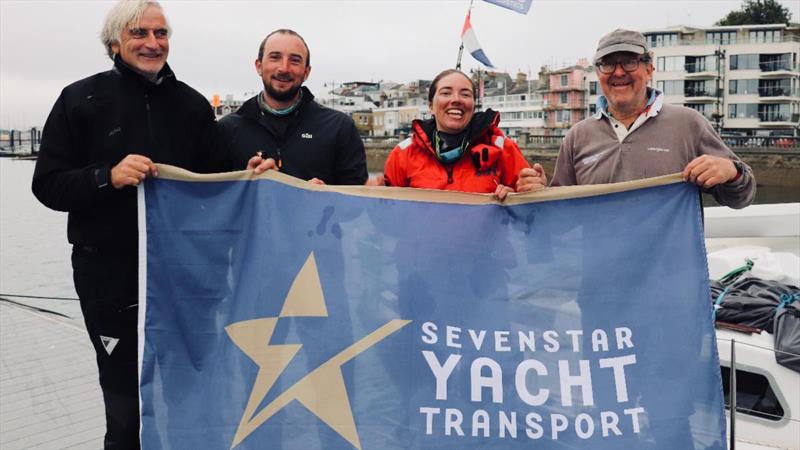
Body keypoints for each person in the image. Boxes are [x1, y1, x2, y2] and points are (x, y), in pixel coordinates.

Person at [31, 1, 218, 448]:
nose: (153, 43)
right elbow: (48, 185)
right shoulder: (79, 99)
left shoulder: (192, 105)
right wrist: (106, 176)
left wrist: (252, 172)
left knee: (185, 396)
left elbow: (218, 185)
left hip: (180, 276)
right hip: (108, 276)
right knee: (123, 405)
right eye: (139, 33)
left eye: (161, 33)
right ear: (114, 42)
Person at [551, 28, 756, 209]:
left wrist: (732, 172)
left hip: (671, 254)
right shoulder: (577, 136)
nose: (619, 72)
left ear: (649, 69)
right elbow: (559, 211)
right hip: (599, 254)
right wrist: (535, 191)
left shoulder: (688, 124)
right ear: (598, 72)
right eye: (608, 64)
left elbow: (741, 198)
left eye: (630, 62)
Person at [219, 29, 367, 185]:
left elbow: (357, 202)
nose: (284, 68)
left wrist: (325, 197)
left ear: (306, 72)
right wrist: (245, 182)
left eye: (295, 60)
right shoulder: (228, 129)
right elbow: (214, 201)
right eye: (275, 57)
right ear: (259, 66)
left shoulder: (339, 128)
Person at [382, 69, 546, 200]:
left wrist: (533, 193)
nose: (456, 100)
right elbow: (387, 224)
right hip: (421, 243)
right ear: (430, 106)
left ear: (473, 105)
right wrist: (378, 198)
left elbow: (532, 221)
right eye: (446, 93)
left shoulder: (503, 149)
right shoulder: (402, 155)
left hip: (487, 243)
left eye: (465, 94)